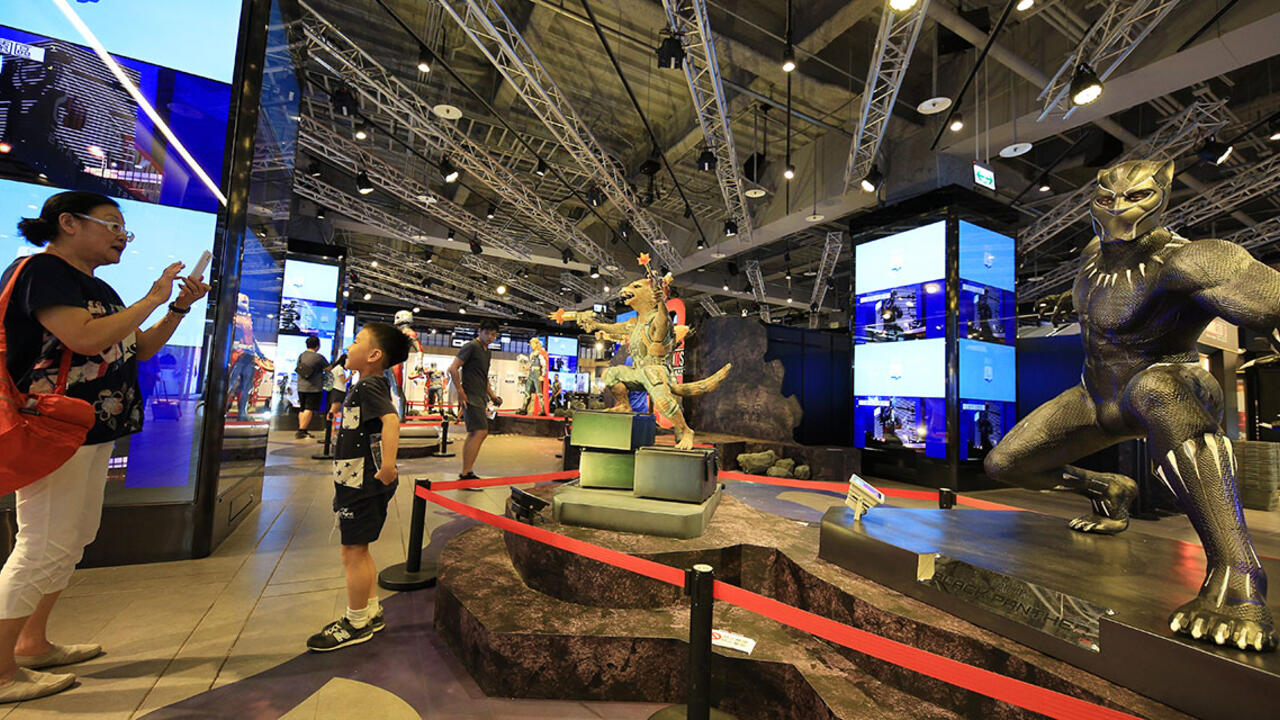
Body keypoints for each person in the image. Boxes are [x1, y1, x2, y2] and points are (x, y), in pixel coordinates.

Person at [0, 191, 209, 701]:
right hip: (51, 426)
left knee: (71, 538)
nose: (121, 236)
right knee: (42, 542)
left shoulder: (96, 286)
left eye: (124, 229)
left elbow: (139, 347)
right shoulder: (41, 271)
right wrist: (155, 296)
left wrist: (178, 304)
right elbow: (85, 338)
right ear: (68, 223)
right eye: (112, 224)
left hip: (89, 427)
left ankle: (32, 642)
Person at [307, 323, 409, 652]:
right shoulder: (363, 384)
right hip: (354, 479)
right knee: (358, 550)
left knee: (352, 552)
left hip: (363, 482)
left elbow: (390, 421)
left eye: (355, 342)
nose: (349, 347)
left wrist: (389, 466)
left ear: (374, 355)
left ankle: (355, 622)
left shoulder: (370, 386)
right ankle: (372, 611)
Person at [448, 319, 502, 480]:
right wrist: (460, 391)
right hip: (470, 397)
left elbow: (483, 376)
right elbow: (452, 368)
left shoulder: (487, 351)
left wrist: (492, 396)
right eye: (487, 333)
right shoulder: (471, 346)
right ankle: (466, 472)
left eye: (493, 334)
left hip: (480, 397)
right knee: (480, 431)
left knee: (476, 433)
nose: (490, 337)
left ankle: (467, 471)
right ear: (480, 332)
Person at [294, 335, 327, 439]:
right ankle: (301, 431)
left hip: (301, 386)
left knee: (302, 408)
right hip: (314, 387)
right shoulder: (319, 357)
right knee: (309, 408)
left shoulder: (301, 356)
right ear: (318, 346)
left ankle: (302, 429)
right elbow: (329, 368)